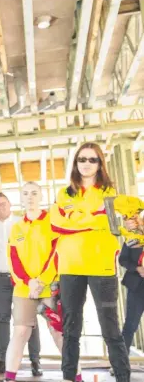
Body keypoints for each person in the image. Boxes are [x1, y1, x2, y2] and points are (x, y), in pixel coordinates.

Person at [50, 142, 131, 382]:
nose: (86, 164)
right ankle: (68, 377)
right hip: (70, 268)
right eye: (82, 159)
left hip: (102, 267)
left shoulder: (109, 193)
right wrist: (95, 220)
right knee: (71, 329)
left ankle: (124, 377)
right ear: (75, 163)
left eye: (92, 159)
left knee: (110, 328)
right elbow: (56, 225)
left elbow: (115, 226)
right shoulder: (64, 194)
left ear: (99, 164)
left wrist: (75, 220)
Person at [4, 182, 82, 382]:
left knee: (59, 334)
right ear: (21, 198)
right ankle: (9, 378)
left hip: (50, 287)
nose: (30, 197)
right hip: (24, 289)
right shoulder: (16, 227)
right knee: (20, 332)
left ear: (41, 196)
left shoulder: (51, 221)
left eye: (34, 193)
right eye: (26, 193)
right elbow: (13, 259)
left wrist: (42, 280)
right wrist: (29, 282)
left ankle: (77, 377)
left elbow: (57, 253)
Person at [0, 192, 42, 376]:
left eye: (3, 204)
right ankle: (3, 360)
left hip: (22, 280)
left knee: (29, 320)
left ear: (10, 204)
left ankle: (35, 361)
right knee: (2, 319)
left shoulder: (21, 224)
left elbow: (33, 250)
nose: (0, 207)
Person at [118, 214, 144, 350]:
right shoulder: (133, 237)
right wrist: (137, 268)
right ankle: (121, 362)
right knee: (130, 324)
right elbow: (123, 259)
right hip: (137, 286)